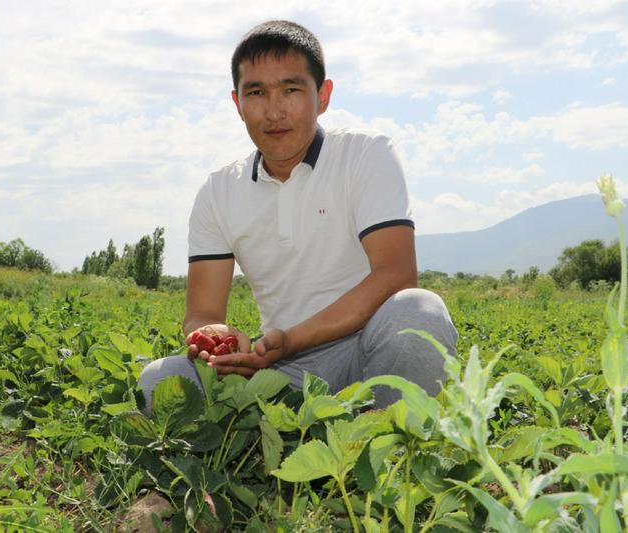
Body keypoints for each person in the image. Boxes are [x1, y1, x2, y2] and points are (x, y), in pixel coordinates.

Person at [138, 20, 458, 413]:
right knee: (158, 380)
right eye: (256, 92)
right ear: (237, 103)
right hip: (279, 372)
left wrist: (289, 339)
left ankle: (383, 441)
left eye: (291, 90)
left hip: (364, 352)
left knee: (418, 311)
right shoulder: (218, 191)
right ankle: (305, 431)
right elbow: (202, 313)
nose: (274, 111)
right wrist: (212, 335)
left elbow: (396, 274)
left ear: (322, 95)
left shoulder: (365, 154)